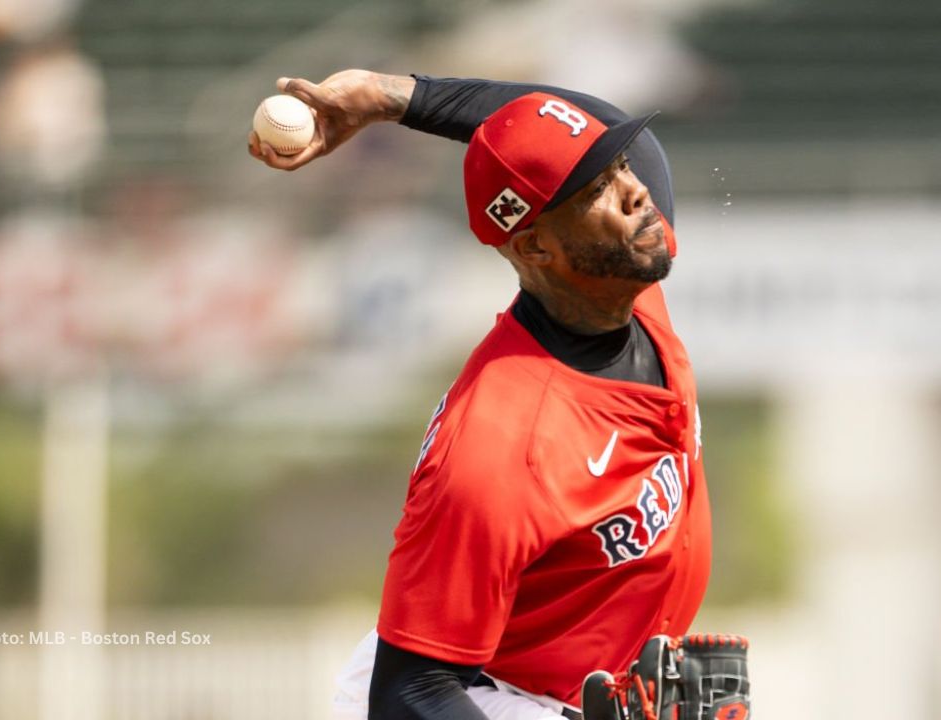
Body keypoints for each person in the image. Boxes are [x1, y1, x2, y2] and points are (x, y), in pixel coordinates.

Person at [250, 70, 711, 720]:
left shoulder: (625, 270)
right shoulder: (503, 445)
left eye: (622, 165)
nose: (635, 193)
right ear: (536, 247)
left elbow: (588, 115)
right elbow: (408, 694)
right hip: (474, 699)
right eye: (596, 188)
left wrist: (393, 98)